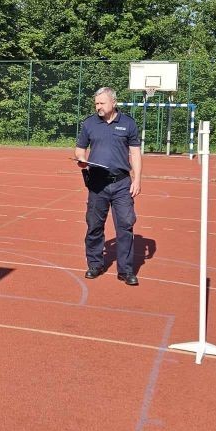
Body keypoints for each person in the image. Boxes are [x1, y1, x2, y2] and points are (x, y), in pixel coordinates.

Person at [74, 87, 142, 285]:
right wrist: (81, 160)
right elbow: (80, 149)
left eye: (102, 103)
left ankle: (126, 270)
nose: (98, 107)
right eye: (96, 103)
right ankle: (95, 264)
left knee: (125, 226)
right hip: (97, 184)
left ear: (113, 102)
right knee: (94, 225)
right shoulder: (89, 124)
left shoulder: (128, 123)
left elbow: (135, 153)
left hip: (122, 183)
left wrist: (137, 179)